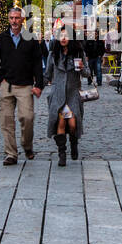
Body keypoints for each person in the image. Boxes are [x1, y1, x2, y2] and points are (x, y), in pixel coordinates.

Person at [0, 7, 45, 166]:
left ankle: (27, 146)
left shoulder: (30, 38)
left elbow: (37, 64)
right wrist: (1, 77)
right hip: (7, 85)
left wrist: (39, 85)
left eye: (17, 18)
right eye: (12, 18)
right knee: (6, 121)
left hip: (25, 85)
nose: (14, 21)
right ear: (9, 19)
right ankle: (11, 154)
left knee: (27, 118)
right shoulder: (2, 38)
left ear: (22, 20)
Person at [44, 27, 85, 166]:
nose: (63, 38)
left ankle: (74, 142)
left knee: (73, 124)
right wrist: (38, 85)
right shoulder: (53, 54)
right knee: (61, 122)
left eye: (66, 35)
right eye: (60, 35)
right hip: (58, 94)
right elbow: (47, 75)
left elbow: (86, 74)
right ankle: (62, 153)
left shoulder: (78, 53)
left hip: (73, 93)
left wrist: (83, 67)